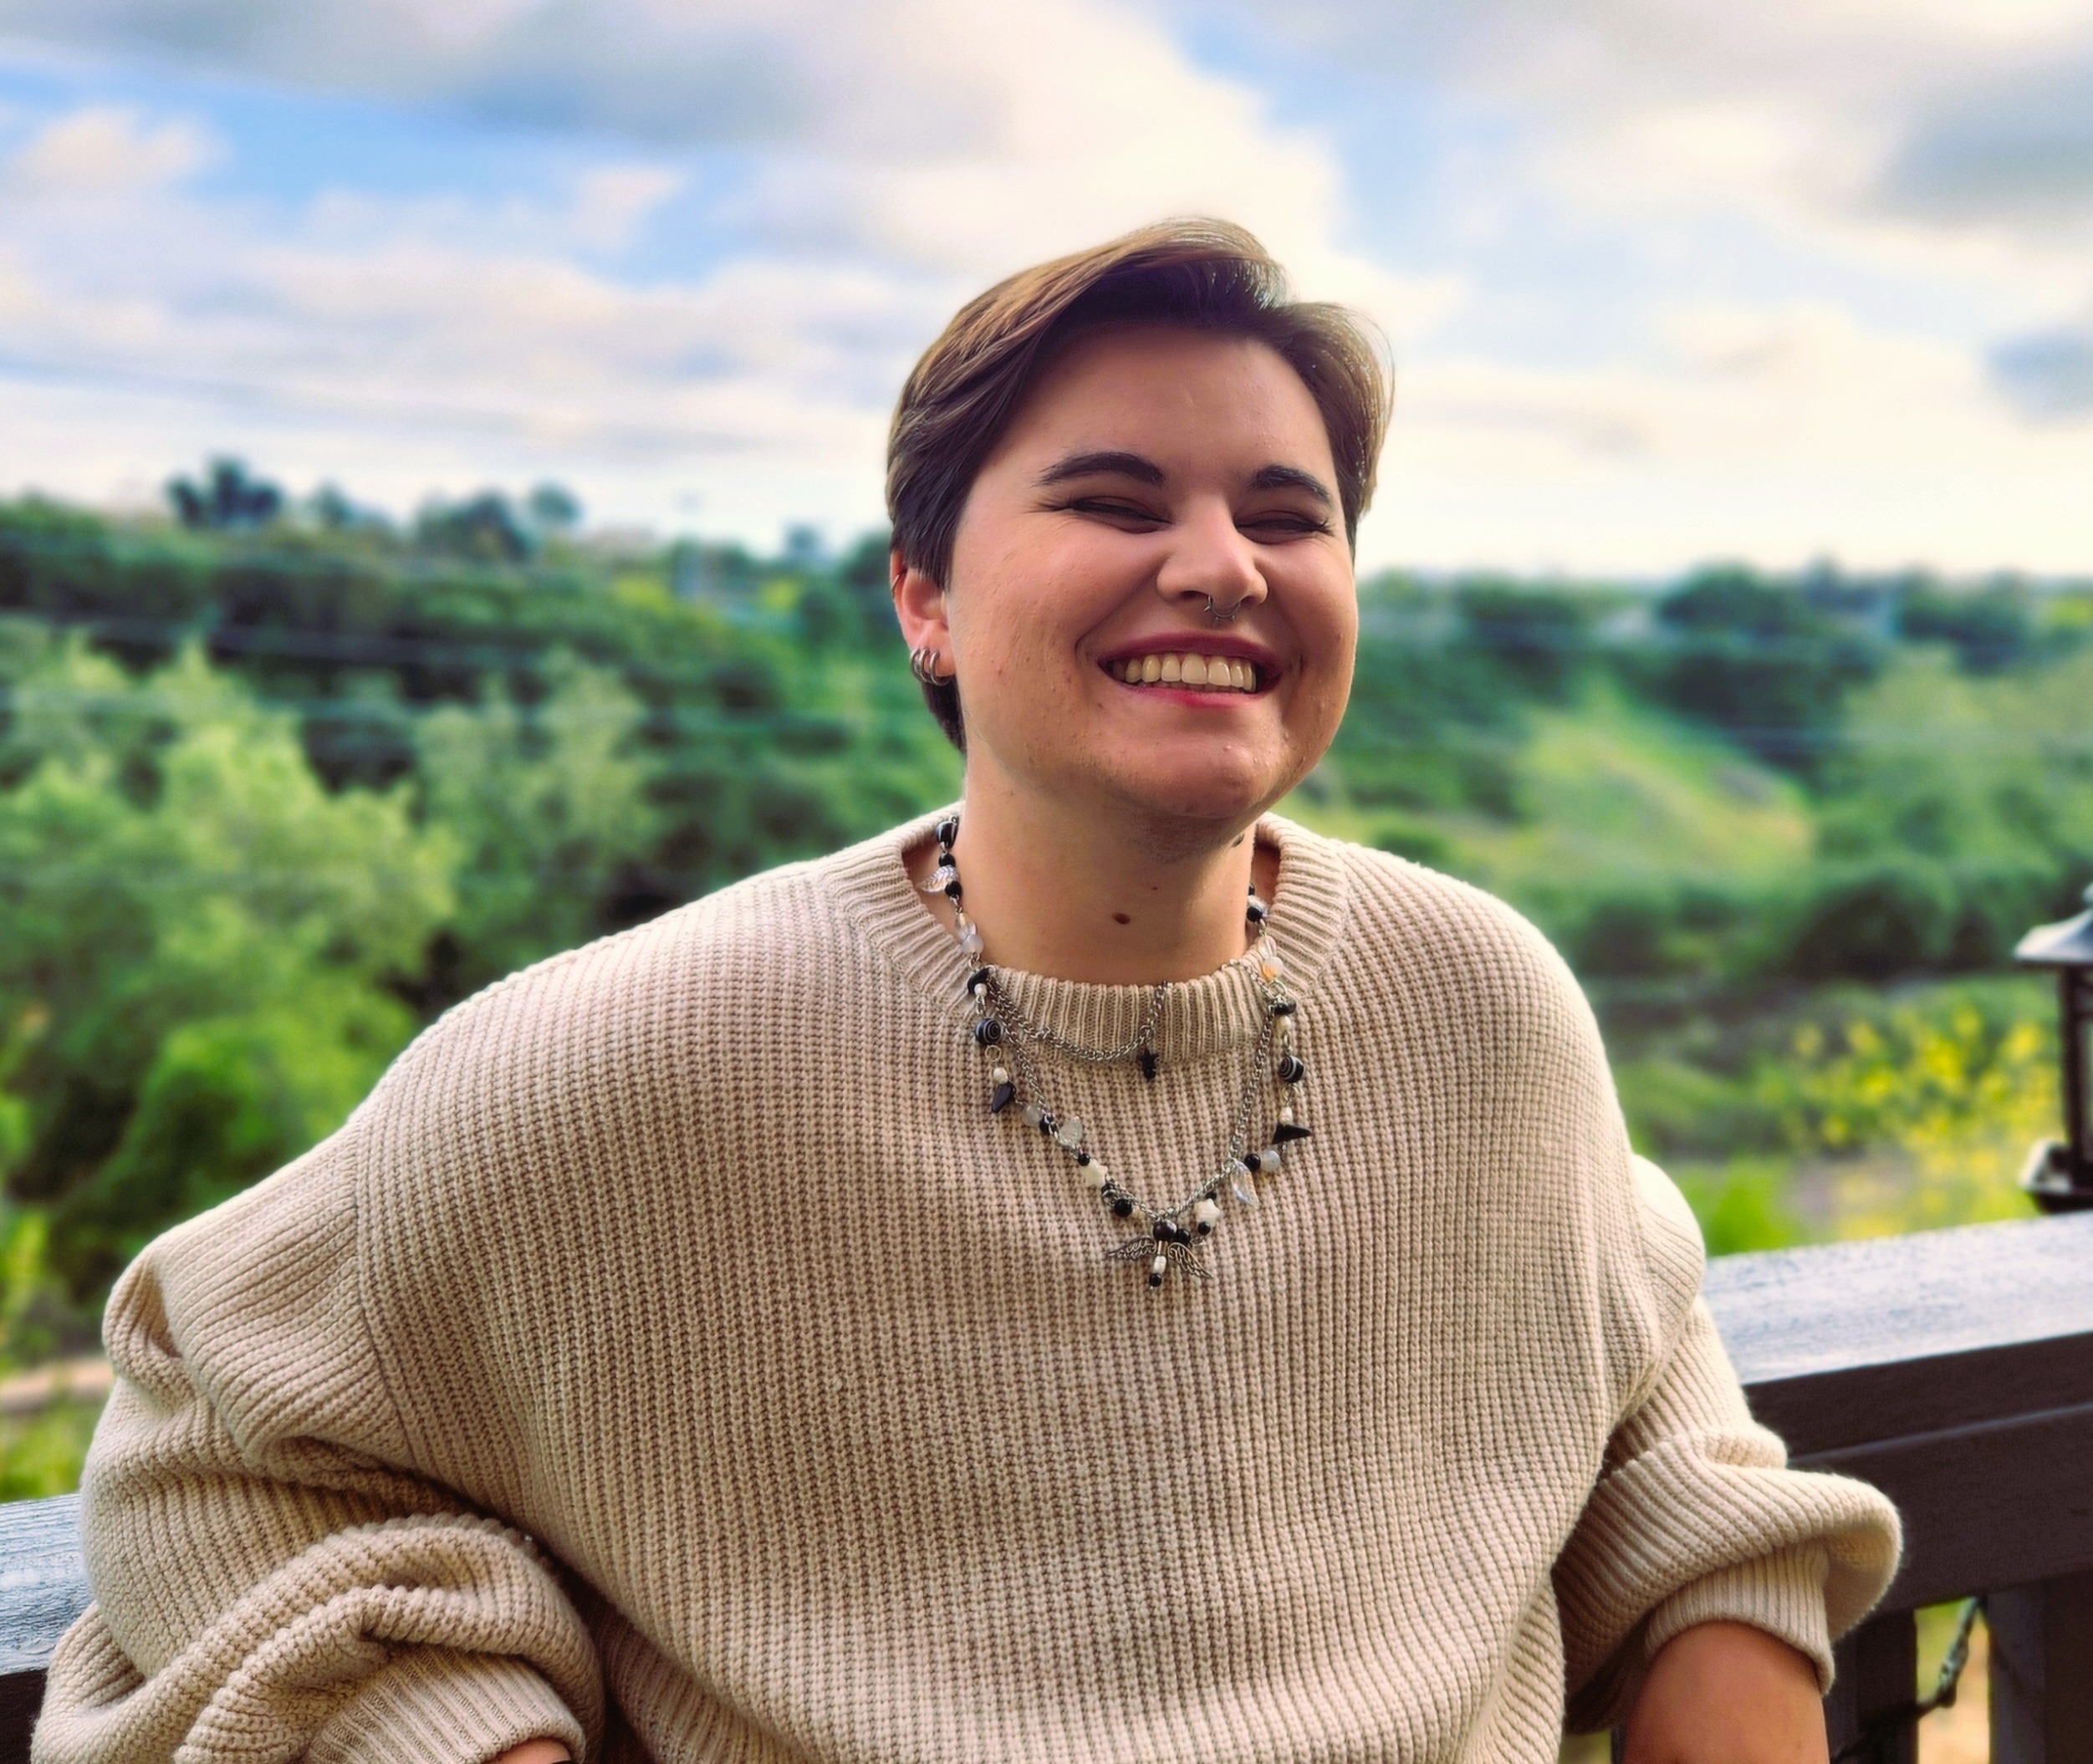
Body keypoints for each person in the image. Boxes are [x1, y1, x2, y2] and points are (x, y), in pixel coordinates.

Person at [34, 220, 1898, 1764]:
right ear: (923, 597)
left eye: (1288, 509)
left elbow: (1646, 1381)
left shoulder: (1477, 1001)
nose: (1219, 563)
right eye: (1111, 496)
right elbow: (220, 1432)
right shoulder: (629, 1057)